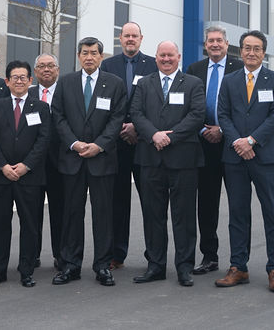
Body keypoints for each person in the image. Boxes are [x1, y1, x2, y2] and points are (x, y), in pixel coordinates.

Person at [215, 29, 274, 293]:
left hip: (265, 157)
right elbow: (222, 114)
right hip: (235, 157)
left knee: (272, 213)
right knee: (238, 214)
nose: (251, 53)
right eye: (247, 48)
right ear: (240, 50)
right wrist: (238, 142)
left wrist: (252, 141)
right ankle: (238, 267)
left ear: (263, 53)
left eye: (257, 48)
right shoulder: (230, 80)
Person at [51, 37, 127, 287]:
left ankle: (103, 266)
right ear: (78, 55)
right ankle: (70, 265)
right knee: (71, 214)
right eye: (84, 53)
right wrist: (74, 143)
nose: (89, 57)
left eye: (94, 53)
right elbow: (58, 117)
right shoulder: (66, 83)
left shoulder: (114, 84)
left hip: (102, 159)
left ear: (101, 56)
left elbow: (117, 119)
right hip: (72, 159)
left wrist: (99, 145)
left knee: (103, 215)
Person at [130, 41, 206, 287]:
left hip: (183, 159)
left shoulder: (193, 83)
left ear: (178, 57)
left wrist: (170, 137)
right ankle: (156, 265)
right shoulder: (143, 84)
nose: (166, 59)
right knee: (153, 216)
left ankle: (184, 267)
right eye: (162, 55)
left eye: (170, 55)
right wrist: (154, 135)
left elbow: (197, 115)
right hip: (150, 158)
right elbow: (136, 114)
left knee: (183, 216)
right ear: (156, 57)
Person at [0, 60, 51, 287]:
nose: (19, 81)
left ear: (30, 81)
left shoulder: (41, 107)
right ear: (7, 81)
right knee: (0, 224)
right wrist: (3, 166)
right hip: (1, 176)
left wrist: (26, 165)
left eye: (24, 77)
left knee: (30, 225)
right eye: (15, 77)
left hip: (30, 177)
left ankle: (27, 270)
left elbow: (43, 140)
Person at [184, 25, 243, 275]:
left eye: (219, 40)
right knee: (206, 205)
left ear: (227, 44)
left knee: (238, 205)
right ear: (205, 45)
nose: (215, 44)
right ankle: (209, 256)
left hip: (233, 146)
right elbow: (188, 107)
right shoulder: (194, 70)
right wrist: (202, 131)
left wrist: (223, 130)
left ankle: (240, 259)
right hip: (203, 146)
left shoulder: (240, 68)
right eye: (211, 41)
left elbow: (244, 109)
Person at [99, 21, 157, 269]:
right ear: (120, 39)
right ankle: (116, 254)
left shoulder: (154, 65)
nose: (130, 39)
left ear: (141, 39)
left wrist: (138, 127)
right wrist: (121, 128)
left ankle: (154, 254)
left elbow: (157, 103)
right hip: (117, 143)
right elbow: (105, 103)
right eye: (126, 36)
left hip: (145, 143)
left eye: (135, 36)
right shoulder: (108, 66)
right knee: (117, 202)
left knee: (151, 202)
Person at [30, 52, 65, 271]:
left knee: (59, 211)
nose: (46, 69)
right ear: (35, 72)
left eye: (51, 66)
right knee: (32, 212)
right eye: (41, 66)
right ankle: (31, 255)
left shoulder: (66, 92)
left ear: (57, 70)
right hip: (32, 162)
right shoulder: (28, 93)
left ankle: (61, 254)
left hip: (59, 161)